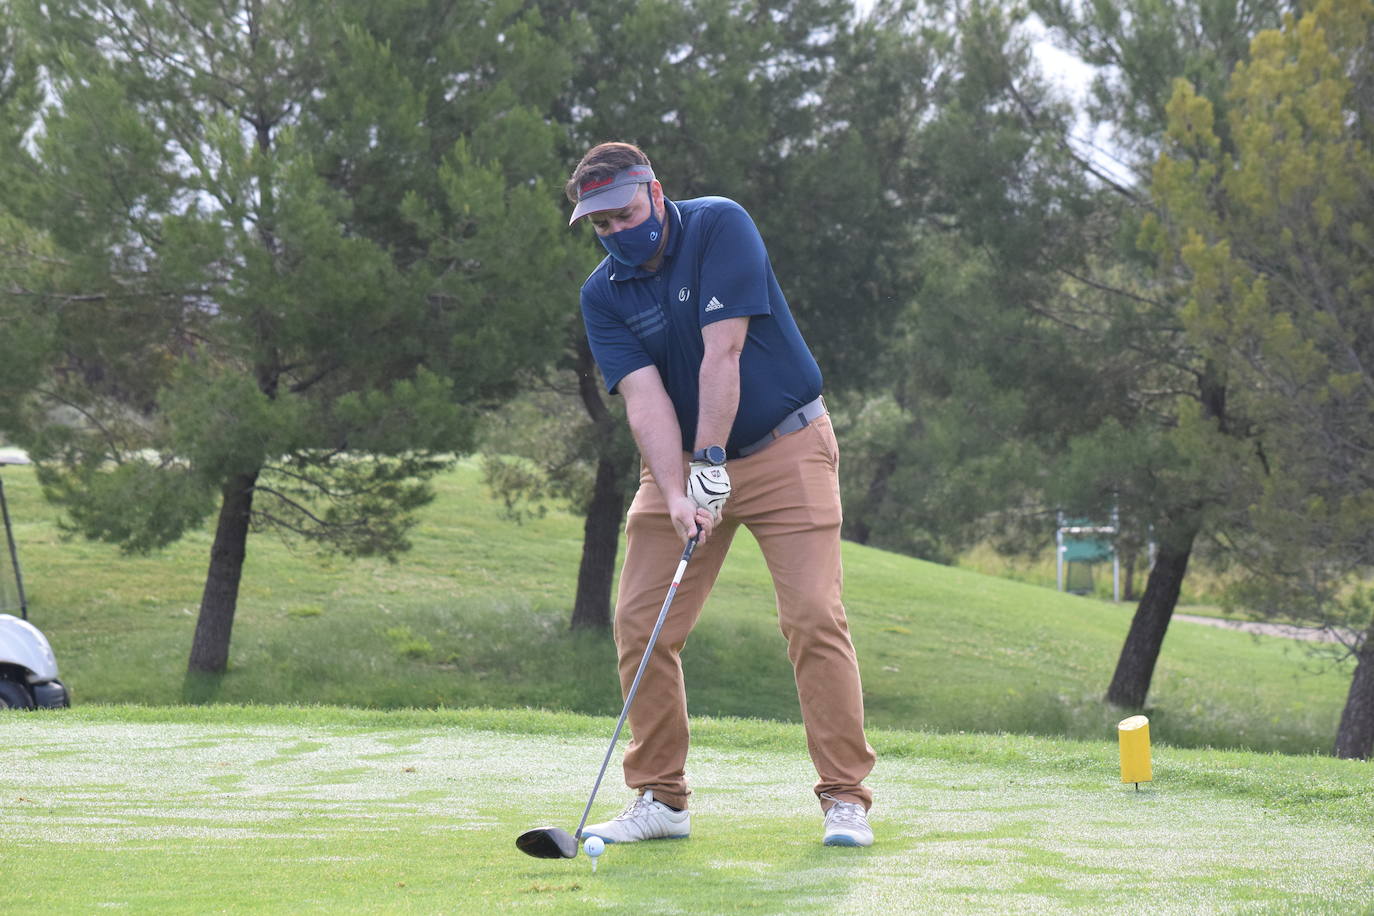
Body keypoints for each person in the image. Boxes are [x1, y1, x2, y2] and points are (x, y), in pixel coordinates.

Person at [566, 141, 876, 848]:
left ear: (655, 190)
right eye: (600, 225)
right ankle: (661, 799)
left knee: (811, 617)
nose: (615, 231)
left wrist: (711, 461)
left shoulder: (718, 226)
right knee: (641, 625)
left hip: (784, 446)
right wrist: (678, 490)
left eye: (622, 213)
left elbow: (723, 352)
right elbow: (644, 399)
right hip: (679, 465)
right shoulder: (601, 295)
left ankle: (844, 799)